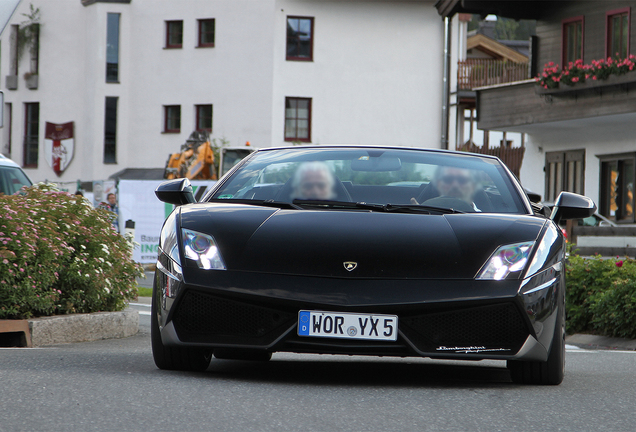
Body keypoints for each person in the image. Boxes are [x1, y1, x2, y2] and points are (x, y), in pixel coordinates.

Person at [412, 166, 480, 212]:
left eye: (462, 180)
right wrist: (420, 213)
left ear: (472, 186)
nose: (455, 185)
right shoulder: (423, 215)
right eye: (448, 179)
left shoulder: (487, 220)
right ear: (439, 184)